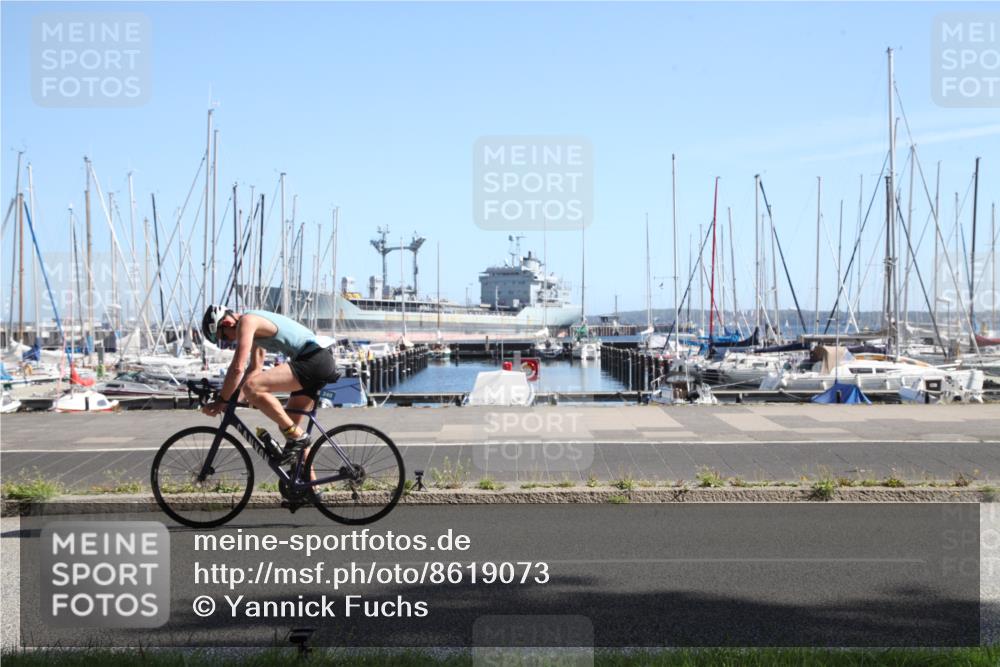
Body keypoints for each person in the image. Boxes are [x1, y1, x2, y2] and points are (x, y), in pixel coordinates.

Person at [200, 305, 339, 460]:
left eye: (224, 337)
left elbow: (238, 368)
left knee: (254, 389)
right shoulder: (254, 326)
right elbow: (254, 367)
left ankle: (299, 437)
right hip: (317, 360)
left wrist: (221, 400)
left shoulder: (247, 321)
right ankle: (309, 483)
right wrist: (232, 399)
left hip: (313, 360)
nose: (228, 341)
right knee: (289, 430)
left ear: (226, 323)